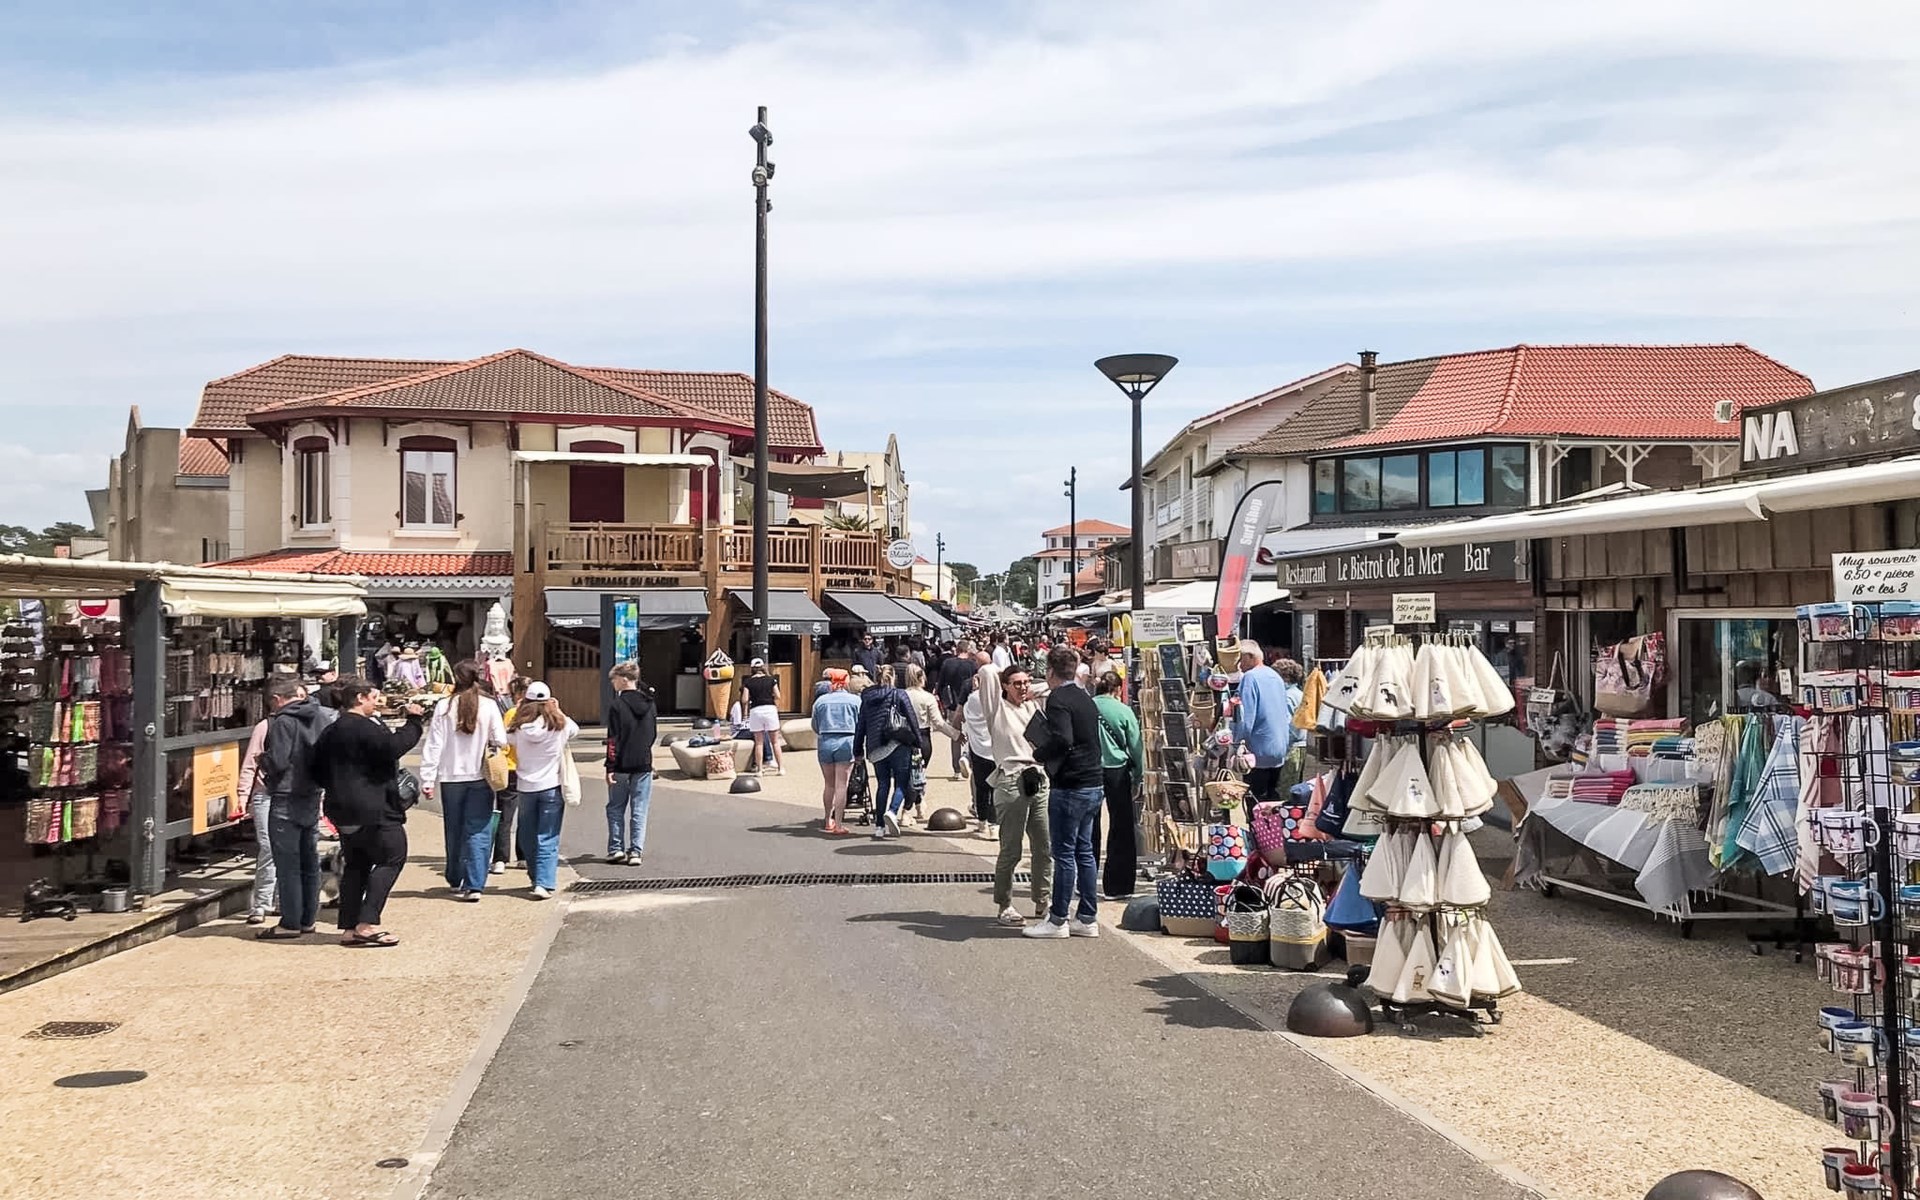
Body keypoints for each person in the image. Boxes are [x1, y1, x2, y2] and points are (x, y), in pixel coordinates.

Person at [313, 680, 425, 946]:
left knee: (356, 865)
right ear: (360, 698)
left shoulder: (331, 730)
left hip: (341, 809)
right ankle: (367, 923)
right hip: (373, 808)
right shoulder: (364, 727)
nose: (377, 702)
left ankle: (349, 927)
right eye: (374, 697)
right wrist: (414, 721)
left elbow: (315, 769)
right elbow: (392, 748)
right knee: (392, 857)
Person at [1024, 646, 1106, 939]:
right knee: (1085, 851)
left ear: (1049, 671)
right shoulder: (1085, 697)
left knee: (1064, 853)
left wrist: (1040, 753)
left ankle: (1058, 918)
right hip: (1093, 780)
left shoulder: (1058, 698)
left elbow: (1063, 738)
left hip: (1070, 783)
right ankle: (1087, 917)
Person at [420, 660, 507, 901]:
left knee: (454, 828)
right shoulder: (489, 705)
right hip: (481, 774)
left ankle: (455, 876)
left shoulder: (445, 705)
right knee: (478, 829)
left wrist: (428, 778)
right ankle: (475, 884)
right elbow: (501, 740)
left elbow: (434, 744)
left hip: (451, 776)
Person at [257, 677, 337, 939]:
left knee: (288, 863)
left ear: (277, 699)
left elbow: (279, 761)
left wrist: (263, 760)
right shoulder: (321, 716)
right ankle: (308, 919)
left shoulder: (283, 721)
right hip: (312, 793)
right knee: (309, 860)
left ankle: (290, 921)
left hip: (286, 794)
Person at [977, 661, 1051, 924]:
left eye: (1026, 682)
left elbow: (1055, 686)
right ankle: (1004, 904)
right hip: (1011, 779)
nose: (1022, 687)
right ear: (1004, 686)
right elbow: (986, 672)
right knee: (1011, 848)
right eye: (1017, 683)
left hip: (1038, 776)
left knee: (1043, 845)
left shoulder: (1033, 706)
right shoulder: (996, 708)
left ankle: (1043, 899)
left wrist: (1031, 689)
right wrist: (1002, 673)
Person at [504, 682, 579, 899]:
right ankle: (544, 883)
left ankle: (535, 875)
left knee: (527, 834)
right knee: (548, 836)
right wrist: (557, 709)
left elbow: (504, 738)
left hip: (526, 787)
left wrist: (520, 709)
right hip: (551, 786)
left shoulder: (519, 728)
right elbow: (575, 729)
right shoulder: (559, 726)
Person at [235, 684, 300, 924]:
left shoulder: (305, 725)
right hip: (266, 792)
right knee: (269, 847)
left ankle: (284, 900)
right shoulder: (266, 726)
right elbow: (251, 763)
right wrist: (242, 796)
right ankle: (262, 904)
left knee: (291, 849)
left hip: (295, 793)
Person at [1092, 671, 1145, 898]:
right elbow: (1136, 746)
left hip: (1091, 769)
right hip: (1117, 770)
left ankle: (1085, 880)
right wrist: (1138, 777)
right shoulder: (1123, 711)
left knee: (1089, 826)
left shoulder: (1088, 706)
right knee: (1121, 827)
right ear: (1117, 689)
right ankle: (1118, 885)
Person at [852, 663, 919, 839]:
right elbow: (912, 719)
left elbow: (861, 725)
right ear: (894, 677)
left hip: (875, 746)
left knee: (882, 784)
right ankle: (893, 810)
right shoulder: (899, 694)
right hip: (898, 742)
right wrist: (917, 742)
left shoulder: (867, 697)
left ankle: (879, 827)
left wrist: (857, 750)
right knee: (901, 783)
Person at [605, 662, 658, 865]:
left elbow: (613, 739)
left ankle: (616, 848)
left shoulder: (617, 705)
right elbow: (652, 734)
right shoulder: (650, 704)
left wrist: (610, 766)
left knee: (615, 807)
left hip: (621, 763)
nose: (612, 682)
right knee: (639, 808)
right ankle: (636, 851)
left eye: (614, 679)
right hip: (643, 761)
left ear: (624, 679)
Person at [1232, 639, 1295, 802]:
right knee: (1272, 800)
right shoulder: (1275, 676)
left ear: (1250, 657)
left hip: (1257, 751)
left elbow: (1245, 718)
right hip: (1279, 748)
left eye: (1240, 659)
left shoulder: (1250, 678)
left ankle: (1256, 820)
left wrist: (1237, 744)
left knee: (1255, 801)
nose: (1239, 665)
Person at [903, 664, 959, 824]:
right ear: (922, 677)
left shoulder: (901, 695)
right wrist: (955, 734)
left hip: (904, 737)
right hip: (923, 736)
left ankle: (917, 803)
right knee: (919, 774)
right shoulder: (928, 697)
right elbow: (938, 723)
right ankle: (908, 809)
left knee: (910, 775)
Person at [811, 668, 860, 834]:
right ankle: (838, 824)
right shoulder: (855, 700)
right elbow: (860, 723)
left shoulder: (821, 701)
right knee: (841, 785)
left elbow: (815, 725)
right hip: (847, 741)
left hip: (826, 740)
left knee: (829, 784)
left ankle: (827, 819)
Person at [491, 676, 530, 877]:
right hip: (530, 770)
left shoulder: (512, 713)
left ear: (518, 693)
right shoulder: (538, 714)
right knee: (526, 815)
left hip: (511, 768)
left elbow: (504, 743)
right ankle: (523, 856)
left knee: (505, 816)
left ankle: (500, 859)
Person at [936, 639, 980, 781]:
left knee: (955, 735)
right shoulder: (972, 665)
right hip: (970, 704)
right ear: (967, 650)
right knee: (972, 734)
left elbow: (940, 684)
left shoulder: (947, 663)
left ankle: (956, 769)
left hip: (952, 704)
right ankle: (969, 759)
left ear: (957, 649)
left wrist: (943, 702)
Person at [961, 670, 997, 838]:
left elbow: (965, 714)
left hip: (977, 747)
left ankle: (982, 821)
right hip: (995, 747)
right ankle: (994, 825)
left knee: (981, 787)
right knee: (995, 787)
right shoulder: (997, 698)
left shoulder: (973, 699)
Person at [741, 658, 783, 775]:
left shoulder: (748, 682)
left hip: (756, 710)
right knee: (775, 742)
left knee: (759, 742)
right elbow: (778, 695)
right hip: (770, 709)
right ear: (763, 667)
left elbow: (744, 699)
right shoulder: (771, 680)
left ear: (752, 668)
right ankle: (781, 768)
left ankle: (759, 770)